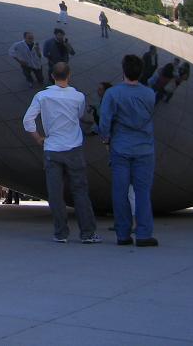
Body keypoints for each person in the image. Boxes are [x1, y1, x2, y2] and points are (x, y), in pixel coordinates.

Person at [22, 62, 101, 244]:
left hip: (52, 148)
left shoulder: (42, 96)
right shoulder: (78, 97)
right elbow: (80, 115)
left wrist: (38, 138)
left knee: (55, 193)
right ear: (69, 75)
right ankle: (87, 233)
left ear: (52, 76)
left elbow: (28, 120)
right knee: (80, 190)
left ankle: (61, 233)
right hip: (73, 147)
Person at [98, 54, 158, 247]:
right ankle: (143, 234)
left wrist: (106, 138)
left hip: (120, 147)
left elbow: (105, 121)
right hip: (144, 149)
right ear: (140, 73)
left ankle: (123, 234)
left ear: (123, 70)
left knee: (120, 191)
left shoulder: (113, 94)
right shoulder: (150, 94)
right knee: (142, 192)